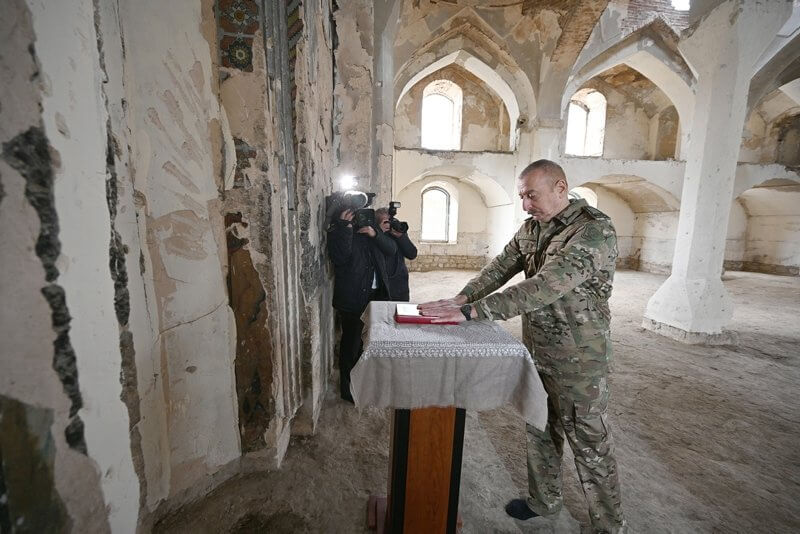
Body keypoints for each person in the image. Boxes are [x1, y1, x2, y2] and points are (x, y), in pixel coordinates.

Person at [418, 159, 627, 533]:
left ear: (560, 188)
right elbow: (500, 268)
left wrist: (473, 312)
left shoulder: (594, 231)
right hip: (538, 351)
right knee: (539, 427)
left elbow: (545, 286)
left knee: (589, 444)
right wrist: (461, 298)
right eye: (521, 196)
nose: (525, 205)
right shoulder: (532, 228)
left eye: (531, 195)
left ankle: (609, 526)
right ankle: (544, 501)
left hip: (580, 359)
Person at [328, 208, 397, 403]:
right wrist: (345, 228)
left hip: (375, 296)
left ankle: (363, 382)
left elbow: (391, 250)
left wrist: (376, 233)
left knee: (367, 343)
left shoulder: (373, 233)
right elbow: (339, 258)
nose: (361, 220)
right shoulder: (340, 231)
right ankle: (348, 390)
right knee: (351, 345)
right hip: (352, 298)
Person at [375, 207, 417, 302]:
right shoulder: (374, 235)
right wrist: (380, 234)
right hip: (381, 288)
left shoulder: (397, 233)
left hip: (399, 286)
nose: (390, 225)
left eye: (392, 221)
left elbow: (412, 254)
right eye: (386, 222)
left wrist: (401, 237)